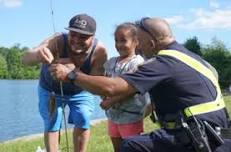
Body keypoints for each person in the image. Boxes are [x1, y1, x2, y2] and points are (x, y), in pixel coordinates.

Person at [50, 17, 231, 152]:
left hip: (200, 139)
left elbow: (112, 87)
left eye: (141, 43)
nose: (141, 49)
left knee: (130, 145)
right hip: (220, 135)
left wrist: (72, 75)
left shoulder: (162, 63)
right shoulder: (191, 57)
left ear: (152, 43)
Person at [22, 14, 107, 152]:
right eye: (73, 34)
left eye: (83, 37)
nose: (76, 40)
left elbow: (95, 85)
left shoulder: (100, 52)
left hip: (80, 91)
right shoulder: (57, 40)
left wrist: (74, 72)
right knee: (52, 121)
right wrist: (38, 55)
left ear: (93, 36)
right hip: (50, 90)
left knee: (83, 118)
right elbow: (25, 59)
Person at [100, 22, 150, 152]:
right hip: (113, 115)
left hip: (131, 116)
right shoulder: (111, 62)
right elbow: (104, 80)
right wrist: (103, 94)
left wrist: (111, 101)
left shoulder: (138, 63)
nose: (119, 45)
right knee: (117, 146)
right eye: (116, 40)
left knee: (132, 147)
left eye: (123, 40)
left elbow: (131, 89)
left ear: (136, 42)